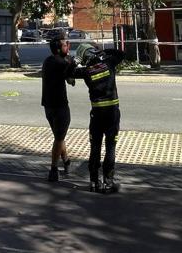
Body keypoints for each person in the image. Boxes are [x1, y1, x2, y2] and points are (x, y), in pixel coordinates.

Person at [74, 42, 125, 193]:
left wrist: (75, 61)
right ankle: (108, 183)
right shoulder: (109, 62)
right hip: (112, 112)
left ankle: (94, 182)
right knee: (110, 147)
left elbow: (67, 72)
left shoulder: (86, 70)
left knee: (95, 147)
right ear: (93, 51)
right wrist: (102, 51)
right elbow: (121, 54)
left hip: (96, 113)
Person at [41, 29, 75, 182]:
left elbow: (67, 78)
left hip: (48, 106)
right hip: (60, 106)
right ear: (58, 48)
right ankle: (53, 170)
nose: (68, 46)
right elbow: (72, 78)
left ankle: (66, 161)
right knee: (59, 138)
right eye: (65, 44)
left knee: (58, 137)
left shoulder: (48, 61)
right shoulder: (61, 62)